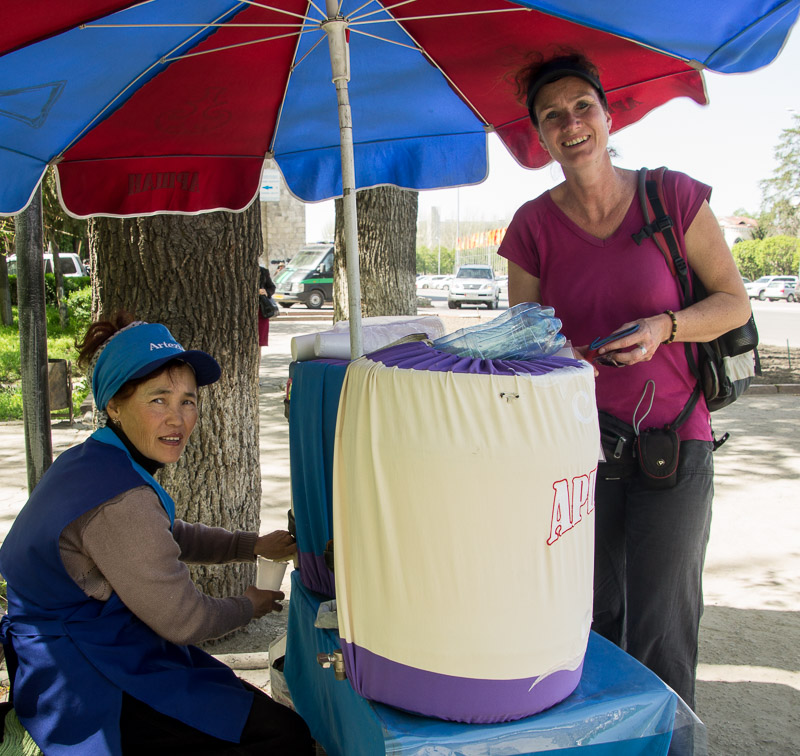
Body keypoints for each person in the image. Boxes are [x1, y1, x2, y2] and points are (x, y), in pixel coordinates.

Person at [498, 53, 751, 710]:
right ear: (542, 137)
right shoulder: (532, 226)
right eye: (553, 116)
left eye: (583, 106)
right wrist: (563, 360)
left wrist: (665, 327)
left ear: (609, 116)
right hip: (580, 451)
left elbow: (733, 302)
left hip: (676, 441)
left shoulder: (671, 196)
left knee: (662, 628)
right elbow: (523, 343)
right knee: (592, 621)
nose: (571, 122)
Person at [0, 313, 313, 754]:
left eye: (188, 401)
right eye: (158, 400)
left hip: (90, 642)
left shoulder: (93, 459)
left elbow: (164, 535)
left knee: (230, 700)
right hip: (82, 673)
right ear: (113, 405)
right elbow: (186, 620)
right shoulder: (118, 502)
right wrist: (251, 605)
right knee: (281, 734)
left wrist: (250, 545)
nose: (177, 419)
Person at [259, 264, 277, 347]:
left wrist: (266, 292)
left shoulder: (263, 271)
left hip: (261, 310)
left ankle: (257, 360)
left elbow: (272, 287)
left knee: (259, 341)